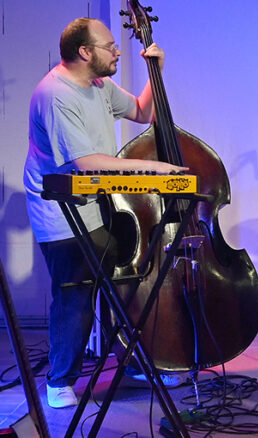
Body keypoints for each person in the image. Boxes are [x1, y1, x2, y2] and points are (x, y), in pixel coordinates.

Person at [23, 18, 189, 409]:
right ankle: (60, 380)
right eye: (110, 46)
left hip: (98, 204)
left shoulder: (99, 84)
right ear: (85, 52)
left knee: (124, 284)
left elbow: (142, 112)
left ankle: (133, 362)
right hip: (61, 212)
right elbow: (84, 163)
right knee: (76, 292)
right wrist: (154, 169)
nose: (117, 52)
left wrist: (156, 71)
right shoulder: (56, 94)